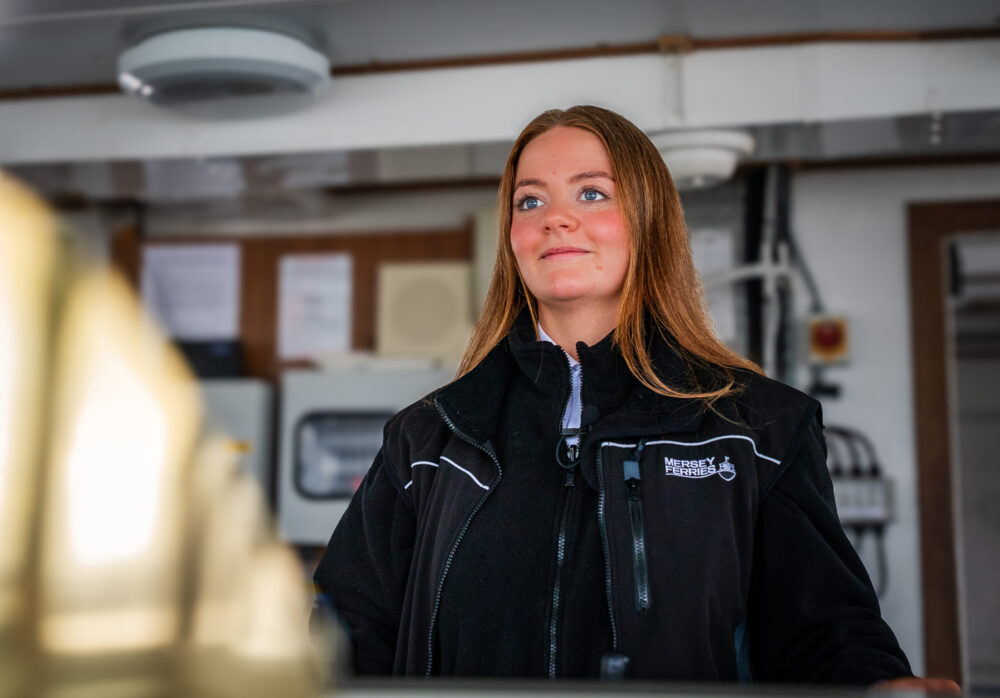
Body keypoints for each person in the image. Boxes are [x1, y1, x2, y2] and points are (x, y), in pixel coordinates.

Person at [313, 105, 958, 690]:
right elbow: (347, 630)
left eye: (592, 193)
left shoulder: (759, 428)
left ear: (648, 220)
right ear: (511, 237)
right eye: (529, 201)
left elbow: (824, 630)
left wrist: (882, 686)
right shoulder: (428, 437)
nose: (555, 218)